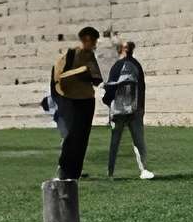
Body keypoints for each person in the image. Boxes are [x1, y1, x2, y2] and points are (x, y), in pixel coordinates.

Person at [50, 27, 102, 182]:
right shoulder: (71, 54)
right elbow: (59, 77)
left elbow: (97, 79)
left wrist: (89, 74)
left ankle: (75, 172)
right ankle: (64, 170)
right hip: (71, 100)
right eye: (93, 41)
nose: (94, 44)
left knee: (83, 138)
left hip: (87, 99)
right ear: (86, 39)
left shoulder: (90, 56)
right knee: (71, 136)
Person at [103, 35, 154, 180]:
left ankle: (113, 173)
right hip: (130, 109)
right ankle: (115, 171)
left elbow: (111, 89)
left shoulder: (119, 66)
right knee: (129, 141)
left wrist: (108, 103)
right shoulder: (134, 65)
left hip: (125, 110)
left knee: (122, 142)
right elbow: (141, 88)